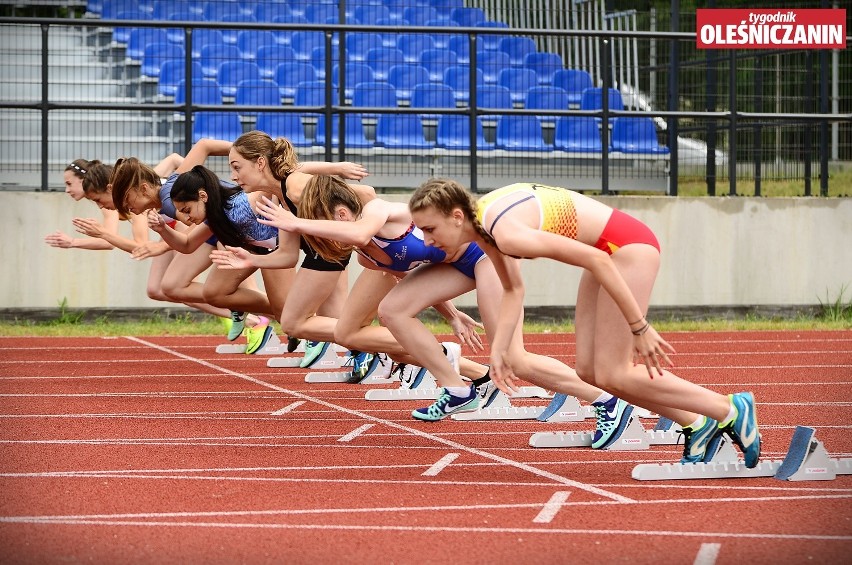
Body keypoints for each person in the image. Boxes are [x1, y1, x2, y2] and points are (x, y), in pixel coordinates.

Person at [404, 179, 761, 467]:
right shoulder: (485, 225)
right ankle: (695, 424)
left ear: (455, 216)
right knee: (591, 372)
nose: (427, 240)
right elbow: (513, 289)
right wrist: (498, 351)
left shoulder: (505, 232)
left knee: (616, 371)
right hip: (608, 253)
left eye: (430, 228)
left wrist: (639, 326)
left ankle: (729, 408)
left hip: (625, 250)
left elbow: (597, 260)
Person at [240, 174, 495, 392]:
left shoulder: (376, 211)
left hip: (483, 254)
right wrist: (451, 314)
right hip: (454, 270)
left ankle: (472, 371)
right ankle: (462, 369)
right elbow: (413, 279)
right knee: (349, 334)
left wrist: (295, 222)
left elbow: (360, 231)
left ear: (342, 214)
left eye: (324, 230)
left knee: (510, 355)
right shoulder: (367, 258)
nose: (325, 240)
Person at [220, 131, 378, 377]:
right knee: (333, 321)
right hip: (327, 253)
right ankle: (367, 350)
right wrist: (251, 259)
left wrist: (368, 236)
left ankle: (377, 348)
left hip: (333, 254)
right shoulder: (282, 198)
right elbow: (288, 256)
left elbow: (366, 194)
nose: (233, 176)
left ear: (260, 163)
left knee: (296, 322)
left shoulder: (295, 186)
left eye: (237, 167)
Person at [145, 164, 298, 353]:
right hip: (258, 253)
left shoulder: (239, 204)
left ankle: (319, 339)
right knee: (214, 293)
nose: (186, 217)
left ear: (203, 196)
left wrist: (335, 168)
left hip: (278, 252)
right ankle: (277, 315)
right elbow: (187, 245)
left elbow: (276, 187)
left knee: (290, 318)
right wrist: (162, 229)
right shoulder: (214, 215)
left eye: (187, 210)